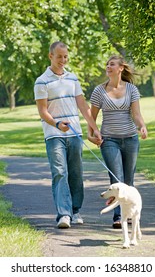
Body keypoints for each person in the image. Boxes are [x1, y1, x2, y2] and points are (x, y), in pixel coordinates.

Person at [34, 41, 101, 229]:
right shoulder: (42, 81)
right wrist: (56, 123)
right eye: (59, 56)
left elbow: (82, 106)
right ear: (50, 56)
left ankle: (75, 211)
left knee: (76, 173)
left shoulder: (73, 79)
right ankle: (64, 214)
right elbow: (42, 111)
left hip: (74, 134)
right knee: (59, 173)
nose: (63, 60)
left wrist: (94, 128)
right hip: (54, 134)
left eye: (65, 56)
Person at [88, 54, 148, 229]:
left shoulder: (131, 89)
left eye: (112, 64)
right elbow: (91, 117)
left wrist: (142, 126)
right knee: (116, 179)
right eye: (107, 64)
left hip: (130, 139)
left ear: (121, 68)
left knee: (129, 180)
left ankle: (129, 214)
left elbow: (136, 114)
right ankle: (118, 216)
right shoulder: (99, 91)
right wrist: (90, 134)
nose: (108, 67)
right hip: (109, 140)